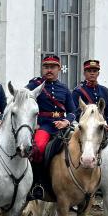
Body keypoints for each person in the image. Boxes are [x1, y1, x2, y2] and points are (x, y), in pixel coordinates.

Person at [26, 54, 77, 200]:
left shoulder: (64, 89)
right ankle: (37, 184)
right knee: (39, 147)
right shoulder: (35, 85)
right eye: (46, 67)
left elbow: (73, 111)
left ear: (59, 69)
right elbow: (23, 100)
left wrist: (66, 121)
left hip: (63, 126)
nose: (49, 70)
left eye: (53, 67)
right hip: (44, 126)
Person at [72, 59, 108, 129]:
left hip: (103, 127)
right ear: (84, 73)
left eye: (95, 71)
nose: (92, 73)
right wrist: (95, 124)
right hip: (86, 128)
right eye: (89, 71)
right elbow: (76, 113)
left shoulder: (104, 90)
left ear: (98, 74)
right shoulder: (78, 91)